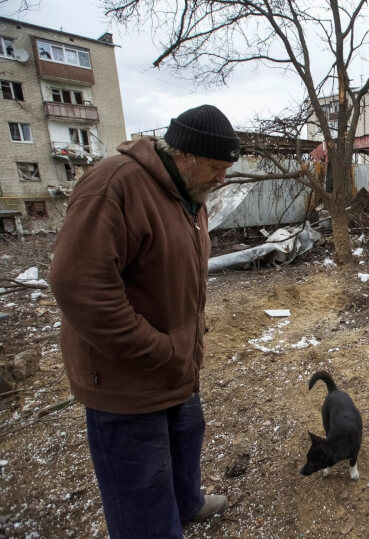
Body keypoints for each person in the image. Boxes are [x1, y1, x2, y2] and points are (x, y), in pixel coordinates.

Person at [50, 105, 240, 538]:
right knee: (141, 485)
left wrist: (188, 342)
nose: (221, 179)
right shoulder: (116, 185)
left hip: (175, 368)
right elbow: (78, 284)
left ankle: (186, 504)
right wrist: (157, 349)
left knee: (186, 437)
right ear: (185, 155)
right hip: (126, 379)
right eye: (216, 167)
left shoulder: (191, 197)